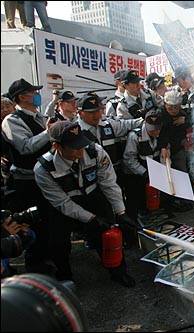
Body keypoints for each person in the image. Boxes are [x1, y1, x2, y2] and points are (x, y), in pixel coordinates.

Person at [34, 121, 137, 286]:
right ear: (57, 146)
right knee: (58, 244)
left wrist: (121, 212)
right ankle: (65, 277)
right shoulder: (43, 169)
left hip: (93, 195)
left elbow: (109, 184)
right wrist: (91, 218)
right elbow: (63, 203)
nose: (81, 151)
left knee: (107, 235)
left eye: (81, 144)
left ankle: (118, 271)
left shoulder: (96, 152)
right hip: (64, 206)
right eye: (75, 147)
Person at [1, 78, 54, 274]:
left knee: (47, 221)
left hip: (45, 178)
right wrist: (49, 132)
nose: (37, 95)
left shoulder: (39, 117)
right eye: (33, 92)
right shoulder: (12, 120)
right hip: (25, 182)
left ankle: (47, 257)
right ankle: (35, 267)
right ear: (22, 97)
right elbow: (24, 147)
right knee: (31, 225)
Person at [122, 109, 172, 220]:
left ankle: (157, 210)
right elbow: (129, 159)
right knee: (137, 197)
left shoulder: (162, 134)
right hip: (136, 173)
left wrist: (164, 171)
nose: (155, 132)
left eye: (157, 129)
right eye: (152, 130)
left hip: (154, 169)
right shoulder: (135, 136)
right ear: (145, 123)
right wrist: (144, 173)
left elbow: (164, 154)